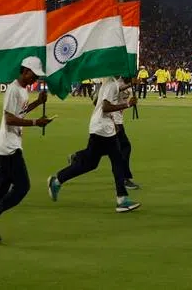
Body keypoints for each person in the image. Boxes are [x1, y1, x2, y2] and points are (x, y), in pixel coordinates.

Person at [0, 56, 53, 244]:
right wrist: (36, 122)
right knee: (22, 186)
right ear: (25, 71)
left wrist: (37, 103)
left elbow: (19, 112)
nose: (35, 79)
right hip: (9, 146)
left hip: (8, 144)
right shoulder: (13, 89)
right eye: (33, 75)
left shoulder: (22, 91)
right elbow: (10, 119)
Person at [47, 76, 142, 211]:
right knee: (118, 160)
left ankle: (58, 180)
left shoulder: (110, 83)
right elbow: (105, 107)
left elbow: (99, 101)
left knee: (91, 163)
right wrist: (127, 105)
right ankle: (122, 199)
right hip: (103, 128)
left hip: (101, 127)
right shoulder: (111, 84)